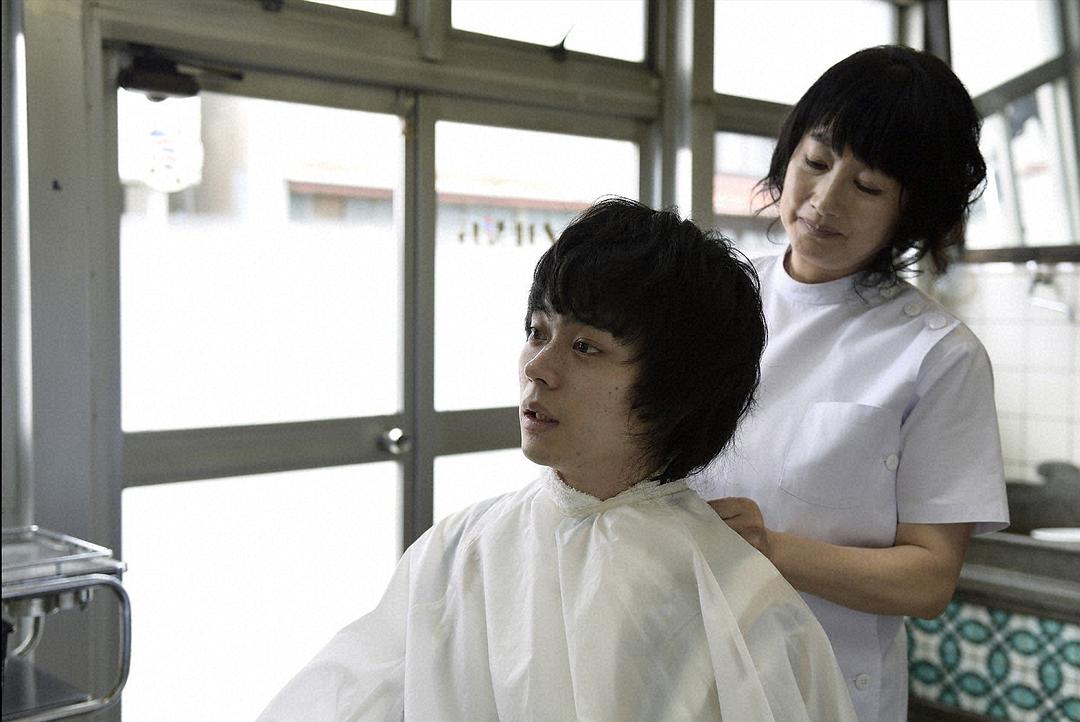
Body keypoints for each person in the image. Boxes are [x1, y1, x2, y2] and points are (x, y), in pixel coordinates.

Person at [257, 198, 858, 721]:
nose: (539, 368)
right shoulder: (459, 551)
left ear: (675, 391)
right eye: (537, 331)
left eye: (585, 346)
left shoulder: (733, 594)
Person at [695, 46, 1010, 722]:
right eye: (816, 161)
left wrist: (769, 549)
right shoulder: (707, 300)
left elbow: (928, 578)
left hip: (826, 689)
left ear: (910, 212)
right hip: (683, 668)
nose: (824, 200)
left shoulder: (937, 355)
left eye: (867, 187)